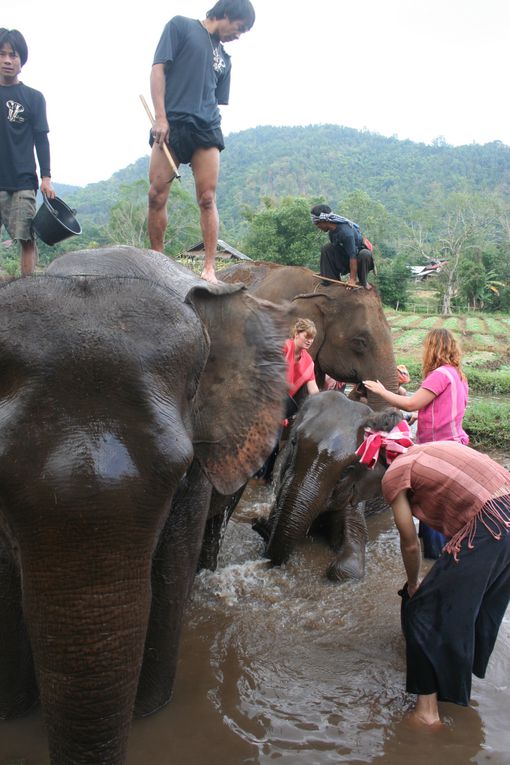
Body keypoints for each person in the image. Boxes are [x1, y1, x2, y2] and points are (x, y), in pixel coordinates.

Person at [356, 413, 510, 728]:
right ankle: (453, 686)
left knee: (423, 609)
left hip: (489, 525)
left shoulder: (395, 473)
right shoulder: (433, 448)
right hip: (503, 515)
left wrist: (414, 584)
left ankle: (426, 713)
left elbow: (410, 543)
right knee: (475, 607)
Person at [147, 1, 255, 284]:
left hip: (206, 128)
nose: (238, 34)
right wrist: (160, 117)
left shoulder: (226, 59)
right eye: (239, 28)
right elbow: (158, 69)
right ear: (228, 13)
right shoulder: (181, 26)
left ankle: (209, 268)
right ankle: (157, 260)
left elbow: (213, 98)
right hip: (172, 123)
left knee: (207, 198)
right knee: (156, 194)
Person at [363, 328, 469, 558]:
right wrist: (416, 417)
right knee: (443, 502)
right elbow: (444, 409)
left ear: (434, 348)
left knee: (429, 502)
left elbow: (412, 404)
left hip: (437, 450)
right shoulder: (458, 375)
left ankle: (433, 556)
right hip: (455, 446)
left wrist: (381, 391)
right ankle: (444, 551)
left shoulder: (439, 375)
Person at [0, 28, 55, 276]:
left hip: (23, 181)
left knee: (27, 239)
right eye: (2, 54)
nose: (7, 60)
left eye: (13, 55)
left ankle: (27, 295)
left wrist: (46, 177)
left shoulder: (34, 98)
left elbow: (41, 140)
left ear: (22, 60)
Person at [255, 318, 319, 483]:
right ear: (297, 334)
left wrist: (324, 406)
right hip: (263, 400)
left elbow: (314, 390)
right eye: (307, 336)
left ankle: (261, 480)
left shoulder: (308, 362)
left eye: (312, 338)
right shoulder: (283, 347)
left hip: (281, 407)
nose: (309, 340)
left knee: (273, 445)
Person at [310, 203, 374, 289]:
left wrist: (352, 278)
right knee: (326, 249)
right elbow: (336, 250)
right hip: (346, 257)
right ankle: (330, 279)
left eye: (317, 224)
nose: (318, 227)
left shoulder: (346, 233)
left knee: (365, 254)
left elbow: (353, 256)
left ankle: (363, 282)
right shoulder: (332, 232)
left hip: (359, 259)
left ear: (324, 221)